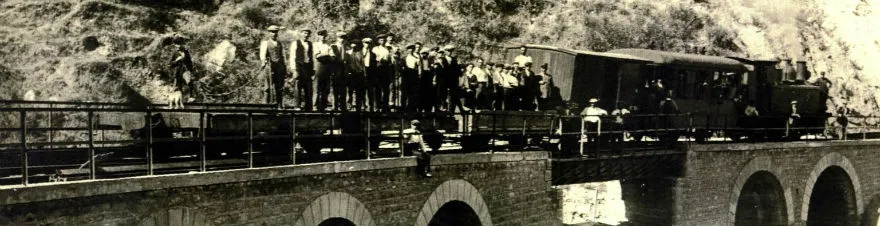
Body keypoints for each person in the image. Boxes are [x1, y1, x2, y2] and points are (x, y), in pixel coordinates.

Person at [259, 25, 288, 109]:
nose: (274, 34)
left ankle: (279, 105)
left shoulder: (279, 44)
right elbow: (262, 55)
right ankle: (266, 105)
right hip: (270, 66)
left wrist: (284, 66)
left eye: (275, 32)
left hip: (279, 68)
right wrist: (263, 61)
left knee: (279, 87)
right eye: (272, 32)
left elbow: (283, 56)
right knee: (268, 87)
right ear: (269, 33)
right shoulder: (265, 43)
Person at [289, 29, 314, 111]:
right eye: (304, 33)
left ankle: (308, 106)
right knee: (298, 87)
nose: (306, 35)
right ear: (301, 34)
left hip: (308, 68)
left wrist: (313, 69)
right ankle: (297, 106)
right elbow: (292, 57)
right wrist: (294, 70)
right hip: (299, 67)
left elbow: (312, 57)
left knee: (308, 88)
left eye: (307, 33)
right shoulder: (295, 43)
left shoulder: (310, 44)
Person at [169, 35, 196, 103]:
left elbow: (190, 62)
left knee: (189, 82)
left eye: (179, 44)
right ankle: (179, 100)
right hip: (178, 70)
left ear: (181, 43)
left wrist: (191, 71)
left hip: (185, 69)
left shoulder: (186, 52)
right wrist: (176, 61)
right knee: (178, 86)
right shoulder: (175, 53)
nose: (177, 46)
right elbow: (170, 64)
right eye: (176, 44)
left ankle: (191, 97)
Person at [313, 30, 333, 111]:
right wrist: (327, 55)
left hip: (327, 67)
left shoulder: (328, 45)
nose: (323, 37)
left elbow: (333, 57)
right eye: (321, 35)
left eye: (324, 35)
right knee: (317, 87)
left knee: (326, 87)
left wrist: (326, 56)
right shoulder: (315, 45)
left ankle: (323, 105)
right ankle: (314, 105)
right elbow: (317, 56)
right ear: (318, 36)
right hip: (319, 66)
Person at [372, 35, 392, 111]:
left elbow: (389, 60)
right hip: (378, 70)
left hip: (386, 70)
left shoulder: (387, 49)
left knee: (386, 89)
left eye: (383, 40)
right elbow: (375, 59)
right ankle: (378, 106)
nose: (382, 42)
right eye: (381, 40)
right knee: (378, 89)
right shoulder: (375, 49)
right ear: (378, 41)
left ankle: (385, 106)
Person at [330, 32, 349, 111]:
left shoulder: (346, 47)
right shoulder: (332, 46)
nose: (342, 39)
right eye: (340, 37)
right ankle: (335, 106)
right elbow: (331, 58)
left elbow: (348, 58)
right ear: (337, 38)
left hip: (343, 69)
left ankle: (343, 106)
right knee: (335, 88)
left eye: (343, 38)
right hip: (335, 69)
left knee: (343, 88)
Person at [348, 41, 367, 112]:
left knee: (359, 90)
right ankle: (350, 103)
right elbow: (347, 63)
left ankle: (358, 104)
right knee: (350, 89)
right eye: (353, 45)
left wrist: (364, 74)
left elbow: (363, 64)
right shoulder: (348, 52)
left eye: (355, 45)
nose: (354, 46)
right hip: (351, 73)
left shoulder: (360, 53)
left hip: (359, 74)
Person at [402, 45, 421, 112]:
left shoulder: (416, 58)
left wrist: (418, 75)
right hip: (406, 77)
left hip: (413, 77)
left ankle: (411, 107)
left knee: (412, 93)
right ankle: (403, 108)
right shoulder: (404, 58)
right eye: (409, 50)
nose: (410, 51)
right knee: (404, 93)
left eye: (412, 50)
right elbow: (401, 67)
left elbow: (418, 68)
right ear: (407, 51)